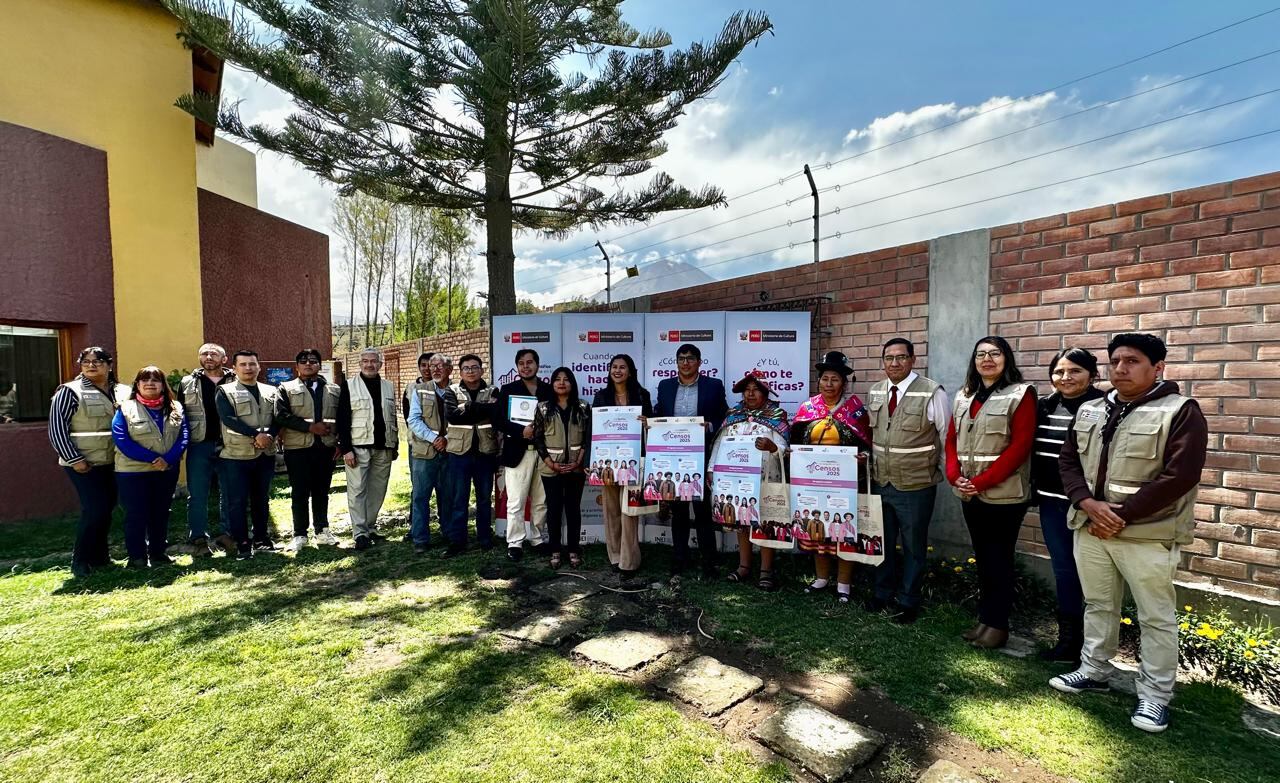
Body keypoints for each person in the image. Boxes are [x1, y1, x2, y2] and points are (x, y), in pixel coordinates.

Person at [1050, 333, 1207, 734]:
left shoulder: (1180, 411)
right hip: (1091, 527)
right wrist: (1087, 504)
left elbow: (1181, 475)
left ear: (1158, 368)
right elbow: (1068, 461)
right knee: (1099, 604)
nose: (1121, 368)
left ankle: (1155, 696)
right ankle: (1094, 670)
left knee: (1155, 617)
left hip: (1146, 534)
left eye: (1132, 361)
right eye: (1116, 360)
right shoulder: (1091, 409)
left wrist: (1121, 515)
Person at [945, 336, 1036, 649]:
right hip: (970, 493)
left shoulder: (1020, 394)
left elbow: (1020, 447)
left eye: (995, 354)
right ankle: (984, 620)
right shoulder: (964, 395)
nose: (987, 359)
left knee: (999, 559)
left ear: (1006, 359)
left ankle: (998, 626)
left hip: (1004, 495)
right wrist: (954, 476)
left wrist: (981, 481)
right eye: (981, 354)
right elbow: (952, 441)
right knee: (983, 558)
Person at [866, 337, 950, 624]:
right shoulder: (876, 391)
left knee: (914, 546)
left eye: (901, 357)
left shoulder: (932, 392)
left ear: (913, 359)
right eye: (889, 358)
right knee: (882, 542)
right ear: (883, 361)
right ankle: (882, 593)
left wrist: (951, 474)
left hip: (916, 484)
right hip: (881, 480)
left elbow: (946, 436)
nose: (895, 363)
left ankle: (908, 601)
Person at [1033, 347, 1105, 662]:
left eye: (1075, 371)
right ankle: (1069, 643)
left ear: (1093, 375)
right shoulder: (1045, 407)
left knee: (1092, 575)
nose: (1066, 377)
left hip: (1087, 506)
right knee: (1064, 571)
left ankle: (1094, 647)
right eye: (1060, 371)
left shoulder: (1105, 408)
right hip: (1051, 502)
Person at [791, 351, 872, 604]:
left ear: (844, 383)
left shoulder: (855, 411)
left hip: (845, 484)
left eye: (835, 379)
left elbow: (867, 444)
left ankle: (844, 583)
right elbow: (794, 443)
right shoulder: (807, 409)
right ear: (819, 381)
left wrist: (864, 458)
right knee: (818, 529)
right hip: (814, 482)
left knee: (844, 530)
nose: (829, 384)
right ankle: (822, 577)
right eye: (825, 378)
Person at [48, 347, 130, 577]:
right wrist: (75, 459)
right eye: (86, 361)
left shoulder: (123, 391)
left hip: (115, 461)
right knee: (94, 509)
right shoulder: (69, 391)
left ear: (109, 364)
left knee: (107, 508)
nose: (91, 365)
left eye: (98, 361)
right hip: (84, 463)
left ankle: (100, 557)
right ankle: (80, 560)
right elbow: (56, 429)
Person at [710, 372, 789, 590]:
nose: (751, 393)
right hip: (736, 478)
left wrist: (773, 448)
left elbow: (784, 448)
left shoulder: (776, 414)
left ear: (764, 392)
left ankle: (766, 570)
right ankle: (744, 566)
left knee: (765, 523)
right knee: (741, 522)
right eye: (747, 389)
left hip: (765, 478)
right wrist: (711, 468)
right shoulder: (734, 414)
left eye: (756, 389)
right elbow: (719, 444)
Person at [656, 343, 728, 577]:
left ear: (699, 362)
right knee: (678, 511)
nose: (685, 362)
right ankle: (680, 558)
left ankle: (708, 561)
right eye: (681, 358)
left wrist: (711, 425)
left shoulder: (713, 386)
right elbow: (660, 415)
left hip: (701, 455)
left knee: (703, 511)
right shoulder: (665, 386)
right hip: (673, 457)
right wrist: (649, 422)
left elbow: (722, 416)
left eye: (690, 358)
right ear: (676, 362)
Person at [112, 366, 189, 568]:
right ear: (137, 384)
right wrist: (154, 459)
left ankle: (158, 553)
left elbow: (184, 435)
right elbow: (122, 439)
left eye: (155, 380)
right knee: (136, 513)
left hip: (166, 471)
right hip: (133, 472)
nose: (150, 383)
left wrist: (169, 459)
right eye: (144, 380)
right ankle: (136, 557)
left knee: (161, 512)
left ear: (163, 385)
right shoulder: (125, 408)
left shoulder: (176, 407)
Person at [591, 354, 653, 578]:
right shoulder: (601, 397)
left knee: (629, 511)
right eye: (614, 367)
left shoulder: (641, 395)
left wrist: (647, 422)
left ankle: (628, 561)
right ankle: (615, 556)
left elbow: (651, 426)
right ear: (609, 371)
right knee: (611, 510)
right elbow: (595, 431)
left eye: (622, 367)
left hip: (633, 462)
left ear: (630, 371)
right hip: (607, 462)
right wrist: (594, 462)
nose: (617, 371)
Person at [216, 349, 281, 560]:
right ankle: (242, 543)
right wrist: (256, 435)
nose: (248, 368)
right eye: (243, 364)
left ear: (259, 367)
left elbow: (278, 418)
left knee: (261, 499)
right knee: (237, 501)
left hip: (265, 454)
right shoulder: (224, 391)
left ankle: (262, 539)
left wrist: (269, 435)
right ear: (234, 368)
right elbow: (228, 419)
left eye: (252, 364)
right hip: (236, 455)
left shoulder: (271, 390)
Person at [274, 348, 340, 552]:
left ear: (320, 365)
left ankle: (322, 530)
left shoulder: (334, 389)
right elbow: (281, 416)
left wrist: (339, 442)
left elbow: (343, 418)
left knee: (322, 491)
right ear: (297, 366)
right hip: (298, 448)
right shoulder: (285, 388)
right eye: (303, 361)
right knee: (300, 492)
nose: (308, 364)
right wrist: (311, 427)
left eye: (313, 360)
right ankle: (300, 534)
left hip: (325, 448)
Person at [495, 348, 554, 562]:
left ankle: (537, 539)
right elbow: (498, 420)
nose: (526, 366)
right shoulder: (508, 389)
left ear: (537, 365)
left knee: (541, 500)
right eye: (521, 363)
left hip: (543, 453)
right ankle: (515, 542)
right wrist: (521, 431)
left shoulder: (548, 390)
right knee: (516, 501)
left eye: (530, 362)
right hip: (517, 453)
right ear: (517, 366)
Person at [337, 347, 399, 551]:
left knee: (378, 490)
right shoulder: (349, 386)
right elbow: (343, 419)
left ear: (380, 364)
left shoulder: (389, 386)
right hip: (358, 446)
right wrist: (346, 448)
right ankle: (360, 533)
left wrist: (395, 445)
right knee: (357, 490)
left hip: (384, 447)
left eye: (374, 361)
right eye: (365, 361)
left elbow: (392, 417)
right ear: (360, 364)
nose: (370, 364)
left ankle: (370, 526)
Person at [178, 343, 235, 555]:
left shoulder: (235, 380)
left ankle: (228, 534)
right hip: (199, 443)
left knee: (230, 491)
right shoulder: (187, 383)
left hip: (230, 444)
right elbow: (179, 414)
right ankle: (198, 538)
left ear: (224, 359)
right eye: (204, 353)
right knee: (197, 493)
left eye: (214, 353)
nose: (208, 356)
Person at [533, 367, 591, 568]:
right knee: (554, 509)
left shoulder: (583, 407)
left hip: (575, 469)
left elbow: (587, 439)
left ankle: (574, 549)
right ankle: (555, 550)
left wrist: (578, 462)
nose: (561, 382)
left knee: (573, 509)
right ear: (552, 383)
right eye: (557, 379)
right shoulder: (542, 408)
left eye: (566, 379)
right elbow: (538, 438)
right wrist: (551, 463)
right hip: (551, 469)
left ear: (572, 383)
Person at [443, 354, 500, 556]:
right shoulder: (451, 391)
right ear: (460, 372)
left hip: (485, 452)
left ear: (481, 370)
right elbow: (452, 416)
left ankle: (484, 538)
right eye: (466, 368)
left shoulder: (493, 390)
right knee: (459, 499)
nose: (470, 371)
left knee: (484, 498)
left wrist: (468, 407)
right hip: (460, 454)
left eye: (474, 367)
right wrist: (481, 409)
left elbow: (496, 413)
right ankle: (458, 541)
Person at [406, 353, 455, 555]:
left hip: (450, 451)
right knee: (420, 496)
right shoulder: (419, 390)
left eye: (440, 366)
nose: (435, 369)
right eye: (432, 366)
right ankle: (420, 538)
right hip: (424, 452)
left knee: (448, 495)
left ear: (450, 370)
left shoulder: (457, 392)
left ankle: (449, 533)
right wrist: (434, 439)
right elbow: (414, 420)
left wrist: (447, 439)